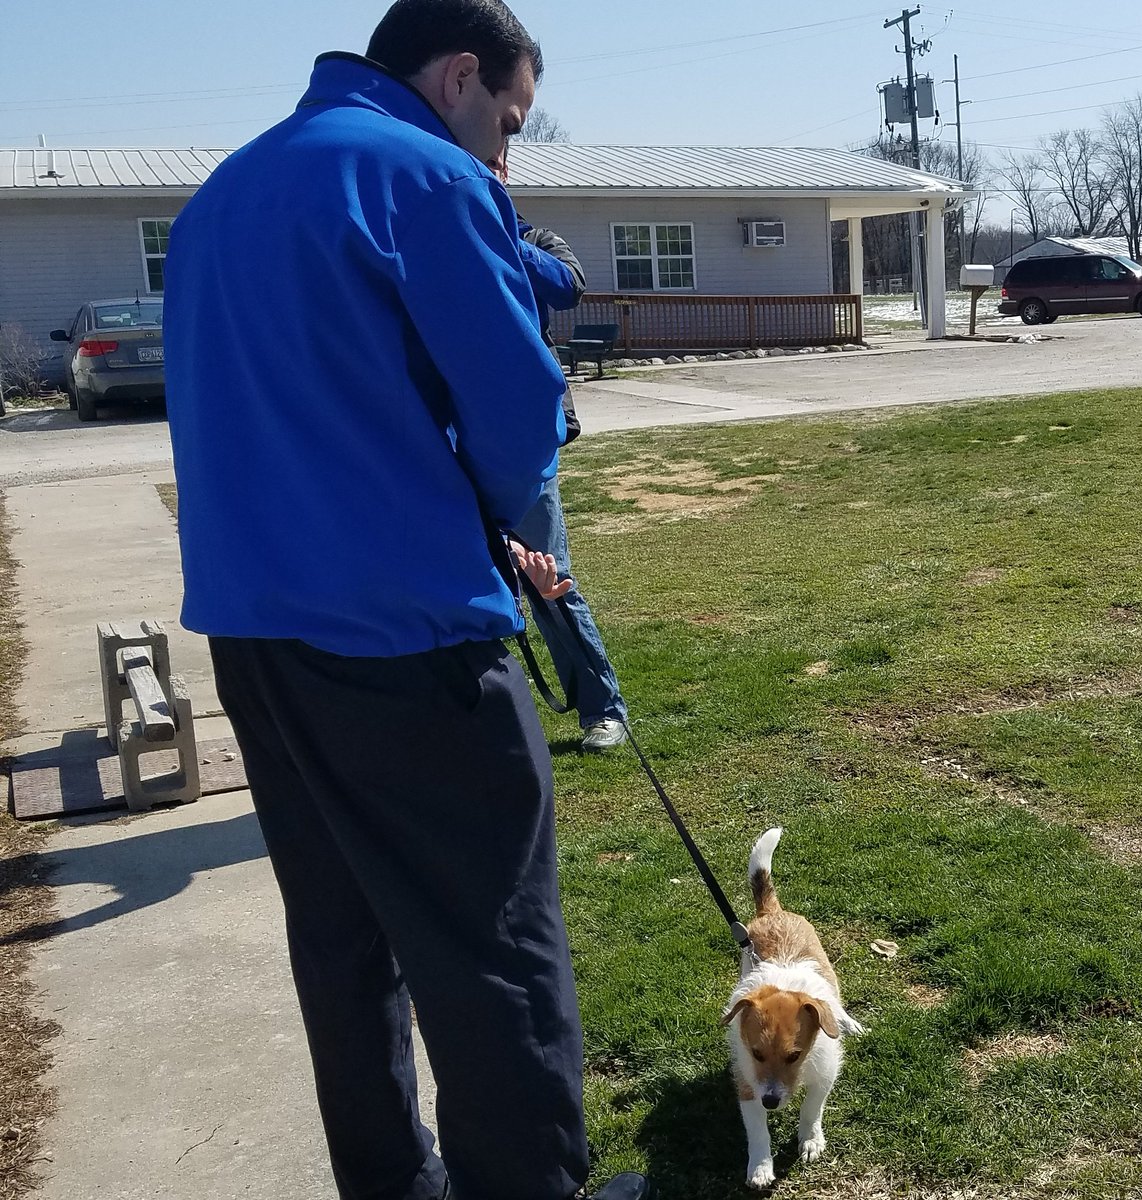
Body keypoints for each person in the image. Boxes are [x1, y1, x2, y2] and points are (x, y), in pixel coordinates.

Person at [162, 3, 651, 1199]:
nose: (504, 154)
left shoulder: (224, 191)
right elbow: (518, 413)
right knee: (492, 943)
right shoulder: (425, 176)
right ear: (460, 74)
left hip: (253, 634)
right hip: (405, 633)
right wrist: (502, 519)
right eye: (508, 120)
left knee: (342, 940)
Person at [490, 143, 630, 752]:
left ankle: (603, 709)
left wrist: (490, 234)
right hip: (449, 441)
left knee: (548, 575)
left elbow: (570, 285)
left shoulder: (534, 239)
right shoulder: (427, 236)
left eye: (488, 165)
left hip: (524, 438)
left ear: (501, 171)